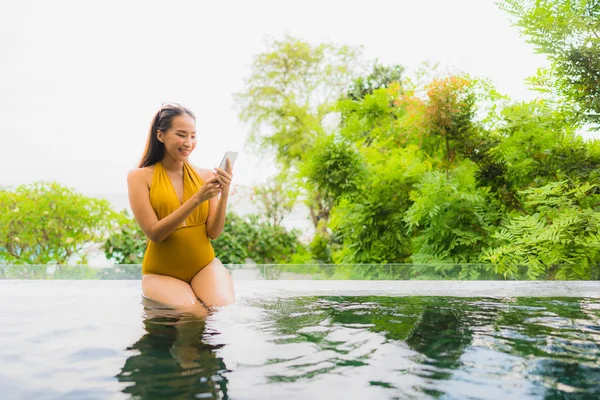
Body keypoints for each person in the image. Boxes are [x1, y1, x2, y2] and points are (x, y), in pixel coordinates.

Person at [127, 102, 235, 316]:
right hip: (162, 275)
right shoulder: (139, 177)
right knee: (195, 315)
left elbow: (213, 233)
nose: (188, 143)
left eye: (193, 136)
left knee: (223, 311)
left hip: (204, 267)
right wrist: (197, 199)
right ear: (160, 135)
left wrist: (224, 191)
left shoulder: (205, 176)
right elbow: (155, 233)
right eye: (181, 135)